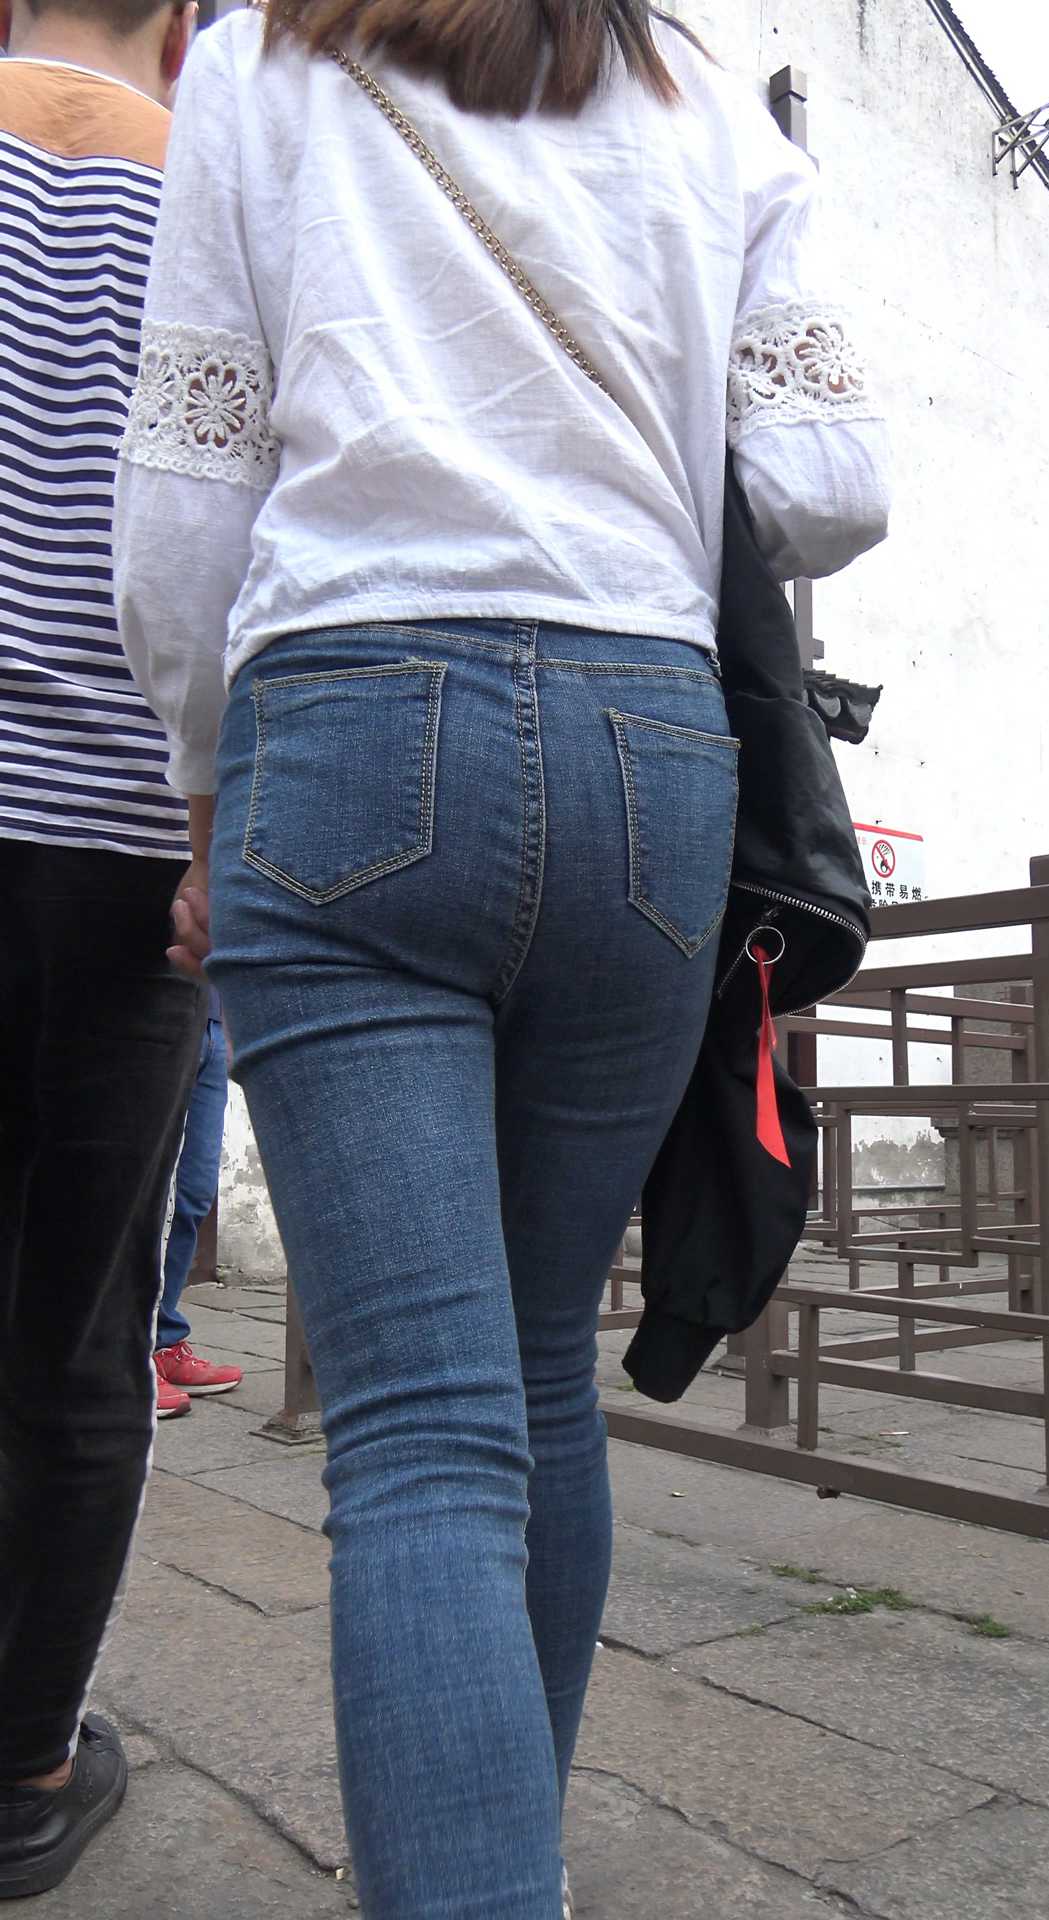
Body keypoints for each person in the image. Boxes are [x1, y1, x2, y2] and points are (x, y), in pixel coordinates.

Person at [112, 0, 890, 1910]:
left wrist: (205, 791)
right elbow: (831, 482)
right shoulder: (704, 99)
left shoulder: (259, 65)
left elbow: (188, 504)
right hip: (650, 756)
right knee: (541, 1374)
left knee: (419, 1433)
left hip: (349, 717)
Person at [0, 0, 199, 1898]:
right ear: (187, 21)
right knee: (77, 1324)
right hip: (129, 838)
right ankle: (24, 1772)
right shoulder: (216, 188)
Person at [154, 987, 244, 1417]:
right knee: (149, 1195)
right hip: (163, 1010)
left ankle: (163, 1340)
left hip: (212, 1022)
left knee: (193, 1194)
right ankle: (122, 1353)